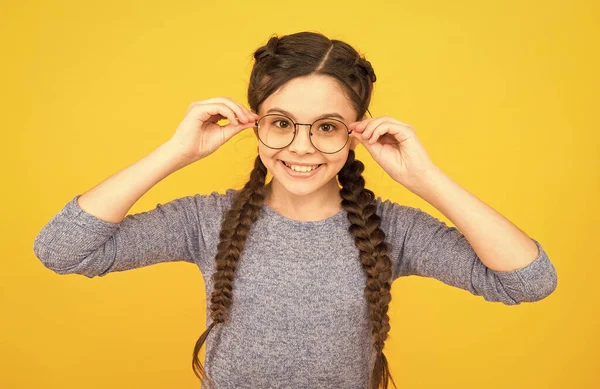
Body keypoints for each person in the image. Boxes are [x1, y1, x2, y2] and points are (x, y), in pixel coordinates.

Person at [33, 31, 558, 389]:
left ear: (357, 134)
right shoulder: (204, 220)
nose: (302, 147)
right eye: (281, 122)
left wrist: (426, 179)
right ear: (254, 123)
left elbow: (528, 282)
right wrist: (175, 153)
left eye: (327, 126)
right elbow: (61, 250)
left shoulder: (392, 228)